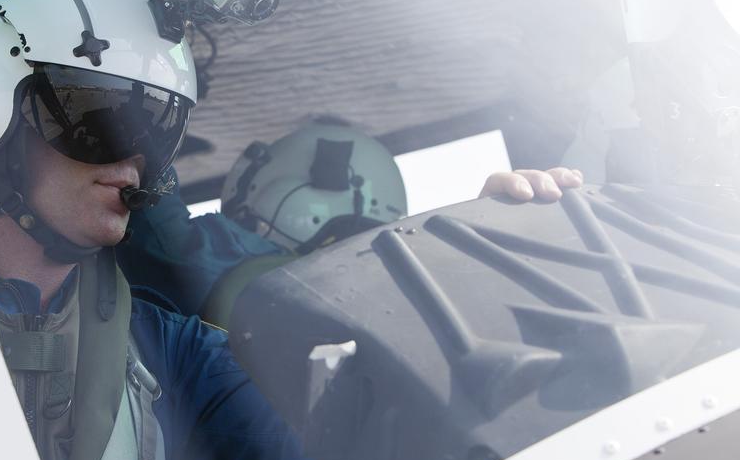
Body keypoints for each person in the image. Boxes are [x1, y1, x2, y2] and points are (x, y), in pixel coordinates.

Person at [0, 0, 581, 460]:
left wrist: (462, 300)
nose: (134, 161)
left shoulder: (171, 353)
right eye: (97, 120)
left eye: (156, 130)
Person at [119, 119, 583, 328]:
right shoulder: (411, 284)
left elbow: (156, 223)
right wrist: (490, 245)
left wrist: (140, 122)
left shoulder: (228, 258)